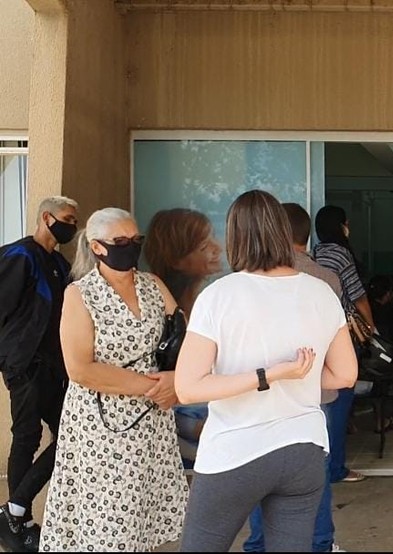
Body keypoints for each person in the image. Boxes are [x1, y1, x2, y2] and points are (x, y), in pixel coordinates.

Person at [175, 190, 358, 552]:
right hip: (302, 450)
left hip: (236, 450)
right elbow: (345, 375)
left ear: (235, 235)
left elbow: (189, 387)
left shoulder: (219, 295)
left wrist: (267, 375)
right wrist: (296, 374)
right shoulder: (321, 292)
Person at [39, 207, 188, 551]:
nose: (131, 247)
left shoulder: (153, 285)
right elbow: (80, 369)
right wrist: (156, 387)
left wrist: (177, 378)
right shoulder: (81, 294)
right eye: (120, 241)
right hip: (102, 427)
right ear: (97, 247)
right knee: (108, 519)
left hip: (152, 423)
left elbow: (183, 334)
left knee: (143, 517)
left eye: (136, 239)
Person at [244, 202, 348, 553]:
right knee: (314, 478)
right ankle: (320, 545)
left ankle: (260, 545)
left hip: (260, 391)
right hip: (314, 395)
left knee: (262, 476)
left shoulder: (243, 283)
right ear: (307, 234)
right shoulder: (325, 280)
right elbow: (344, 368)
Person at [0, 196, 77, 552]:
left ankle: (14, 511)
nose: (72, 226)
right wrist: (10, 359)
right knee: (27, 437)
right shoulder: (20, 255)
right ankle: (19, 523)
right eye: (67, 219)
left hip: (54, 368)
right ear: (46, 218)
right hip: (25, 364)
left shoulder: (59, 263)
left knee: (72, 434)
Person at [143, 208, 223, 470]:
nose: (217, 249)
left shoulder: (211, 302)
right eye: (203, 246)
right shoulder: (162, 313)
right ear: (177, 260)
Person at [314, 205, 374, 484]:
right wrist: (371, 328)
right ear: (341, 227)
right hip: (338, 336)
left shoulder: (314, 254)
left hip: (313, 337)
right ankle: (335, 468)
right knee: (340, 399)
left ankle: (317, 464)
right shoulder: (340, 254)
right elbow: (358, 297)